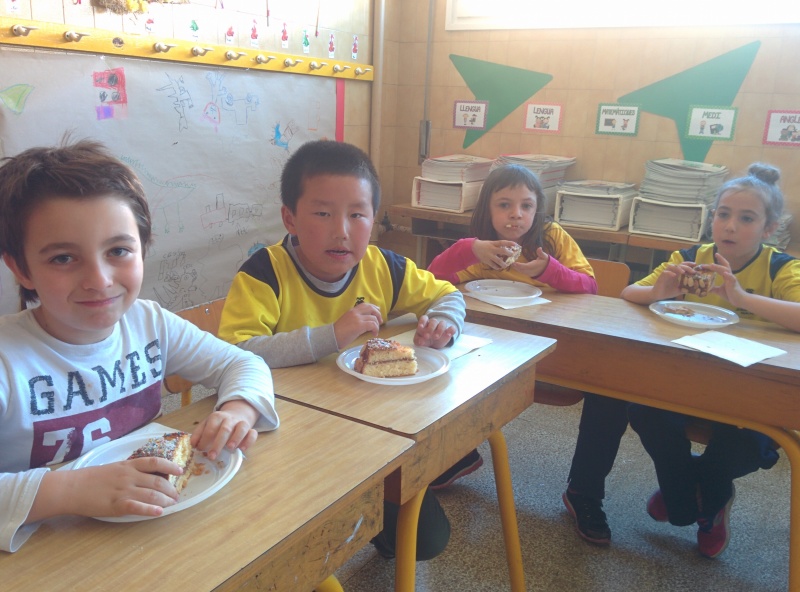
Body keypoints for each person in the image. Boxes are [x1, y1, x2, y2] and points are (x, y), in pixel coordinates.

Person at [0, 139, 279, 554]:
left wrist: (238, 410)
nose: (99, 280)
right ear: (21, 268)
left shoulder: (149, 323)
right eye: (63, 258)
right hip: (52, 554)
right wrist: (69, 489)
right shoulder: (8, 359)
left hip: (155, 534)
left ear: (142, 250)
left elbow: (244, 363)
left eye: (118, 251)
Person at [217, 139, 466, 560]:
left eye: (357, 214)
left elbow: (447, 294)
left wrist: (445, 323)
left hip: (374, 433)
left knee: (426, 543)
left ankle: (370, 525)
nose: (342, 231)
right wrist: (330, 336)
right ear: (290, 219)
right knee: (303, 555)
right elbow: (235, 352)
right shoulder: (264, 274)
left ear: (373, 219)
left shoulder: (384, 266)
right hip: (291, 439)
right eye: (322, 213)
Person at [621, 163, 800, 558]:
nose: (730, 227)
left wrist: (743, 299)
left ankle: (690, 492)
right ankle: (694, 498)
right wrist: (660, 291)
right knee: (644, 412)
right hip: (689, 382)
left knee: (745, 446)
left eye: (746, 218)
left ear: (769, 228)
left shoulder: (780, 267)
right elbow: (630, 292)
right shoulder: (690, 257)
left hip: (753, 393)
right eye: (723, 214)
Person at [426, 164, 597, 491]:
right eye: (504, 204)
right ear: (487, 209)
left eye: (526, 206)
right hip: (494, 340)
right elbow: (433, 279)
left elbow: (590, 286)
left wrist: (548, 270)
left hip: (553, 341)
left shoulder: (550, 237)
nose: (516, 214)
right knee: (446, 363)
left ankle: (584, 491)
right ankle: (459, 453)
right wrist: (469, 249)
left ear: (537, 209)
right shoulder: (481, 247)